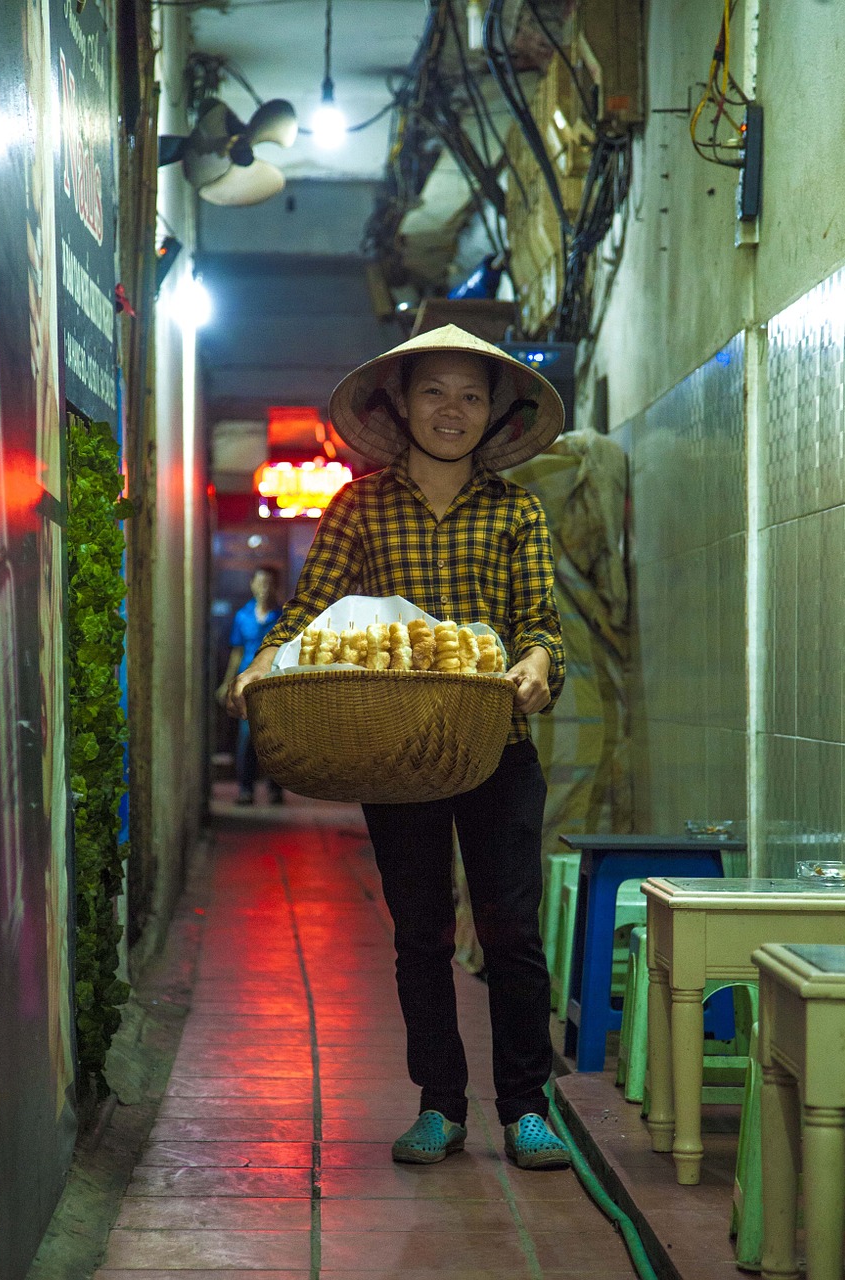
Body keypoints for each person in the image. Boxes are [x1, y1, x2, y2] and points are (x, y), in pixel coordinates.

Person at [227, 325, 570, 1169]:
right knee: (420, 932)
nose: (451, 411)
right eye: (434, 391)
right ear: (400, 404)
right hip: (397, 754)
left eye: (471, 395)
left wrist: (533, 666)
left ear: (494, 414)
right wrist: (262, 662)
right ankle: (440, 1105)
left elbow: (542, 627)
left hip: (500, 747)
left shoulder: (516, 510)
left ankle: (528, 1108)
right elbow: (309, 612)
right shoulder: (359, 507)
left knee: (512, 930)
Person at [217, 564, 283, 804]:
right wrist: (227, 682)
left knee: (276, 738)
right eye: (260, 582)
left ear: (275, 586)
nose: (264, 588)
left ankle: (276, 789)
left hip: (275, 683)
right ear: (252, 585)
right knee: (247, 738)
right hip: (248, 685)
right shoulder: (242, 616)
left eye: (269, 583)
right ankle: (246, 789)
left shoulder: (283, 617)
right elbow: (237, 650)